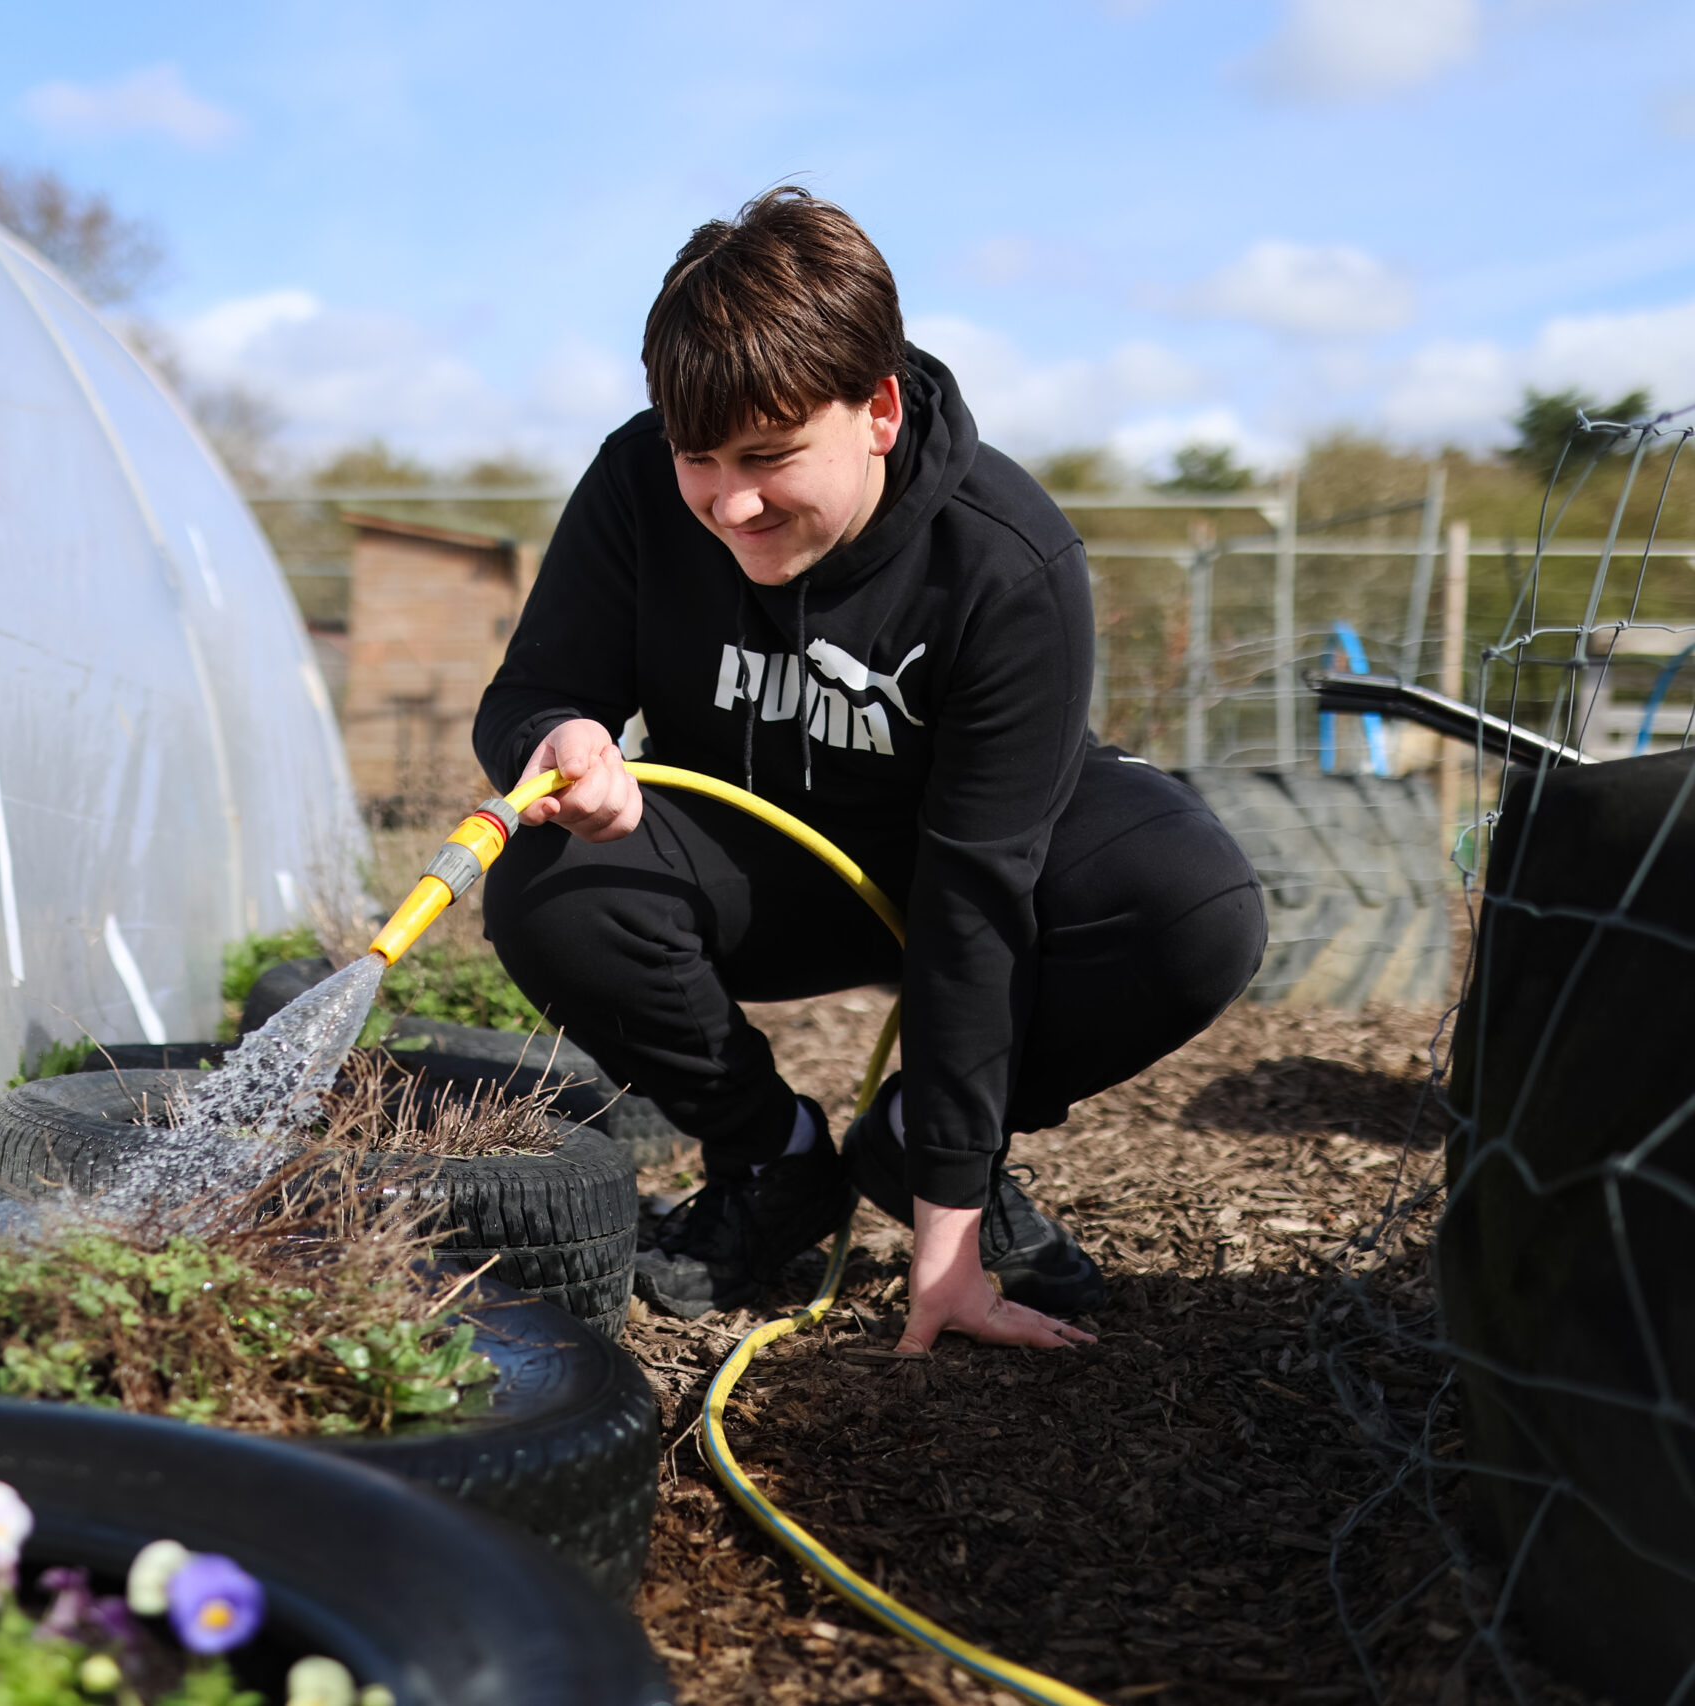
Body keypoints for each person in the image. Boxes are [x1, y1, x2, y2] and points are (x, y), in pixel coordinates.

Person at [473, 188, 1266, 1353]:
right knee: (549, 881)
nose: (730, 501)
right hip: (759, 856)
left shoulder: (1004, 558)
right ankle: (770, 1161)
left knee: (1192, 906)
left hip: (968, 848)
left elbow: (977, 894)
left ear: (878, 410)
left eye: (769, 455)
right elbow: (531, 690)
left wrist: (945, 1222)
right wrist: (556, 737)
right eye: (698, 457)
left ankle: (917, 1148)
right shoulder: (635, 482)